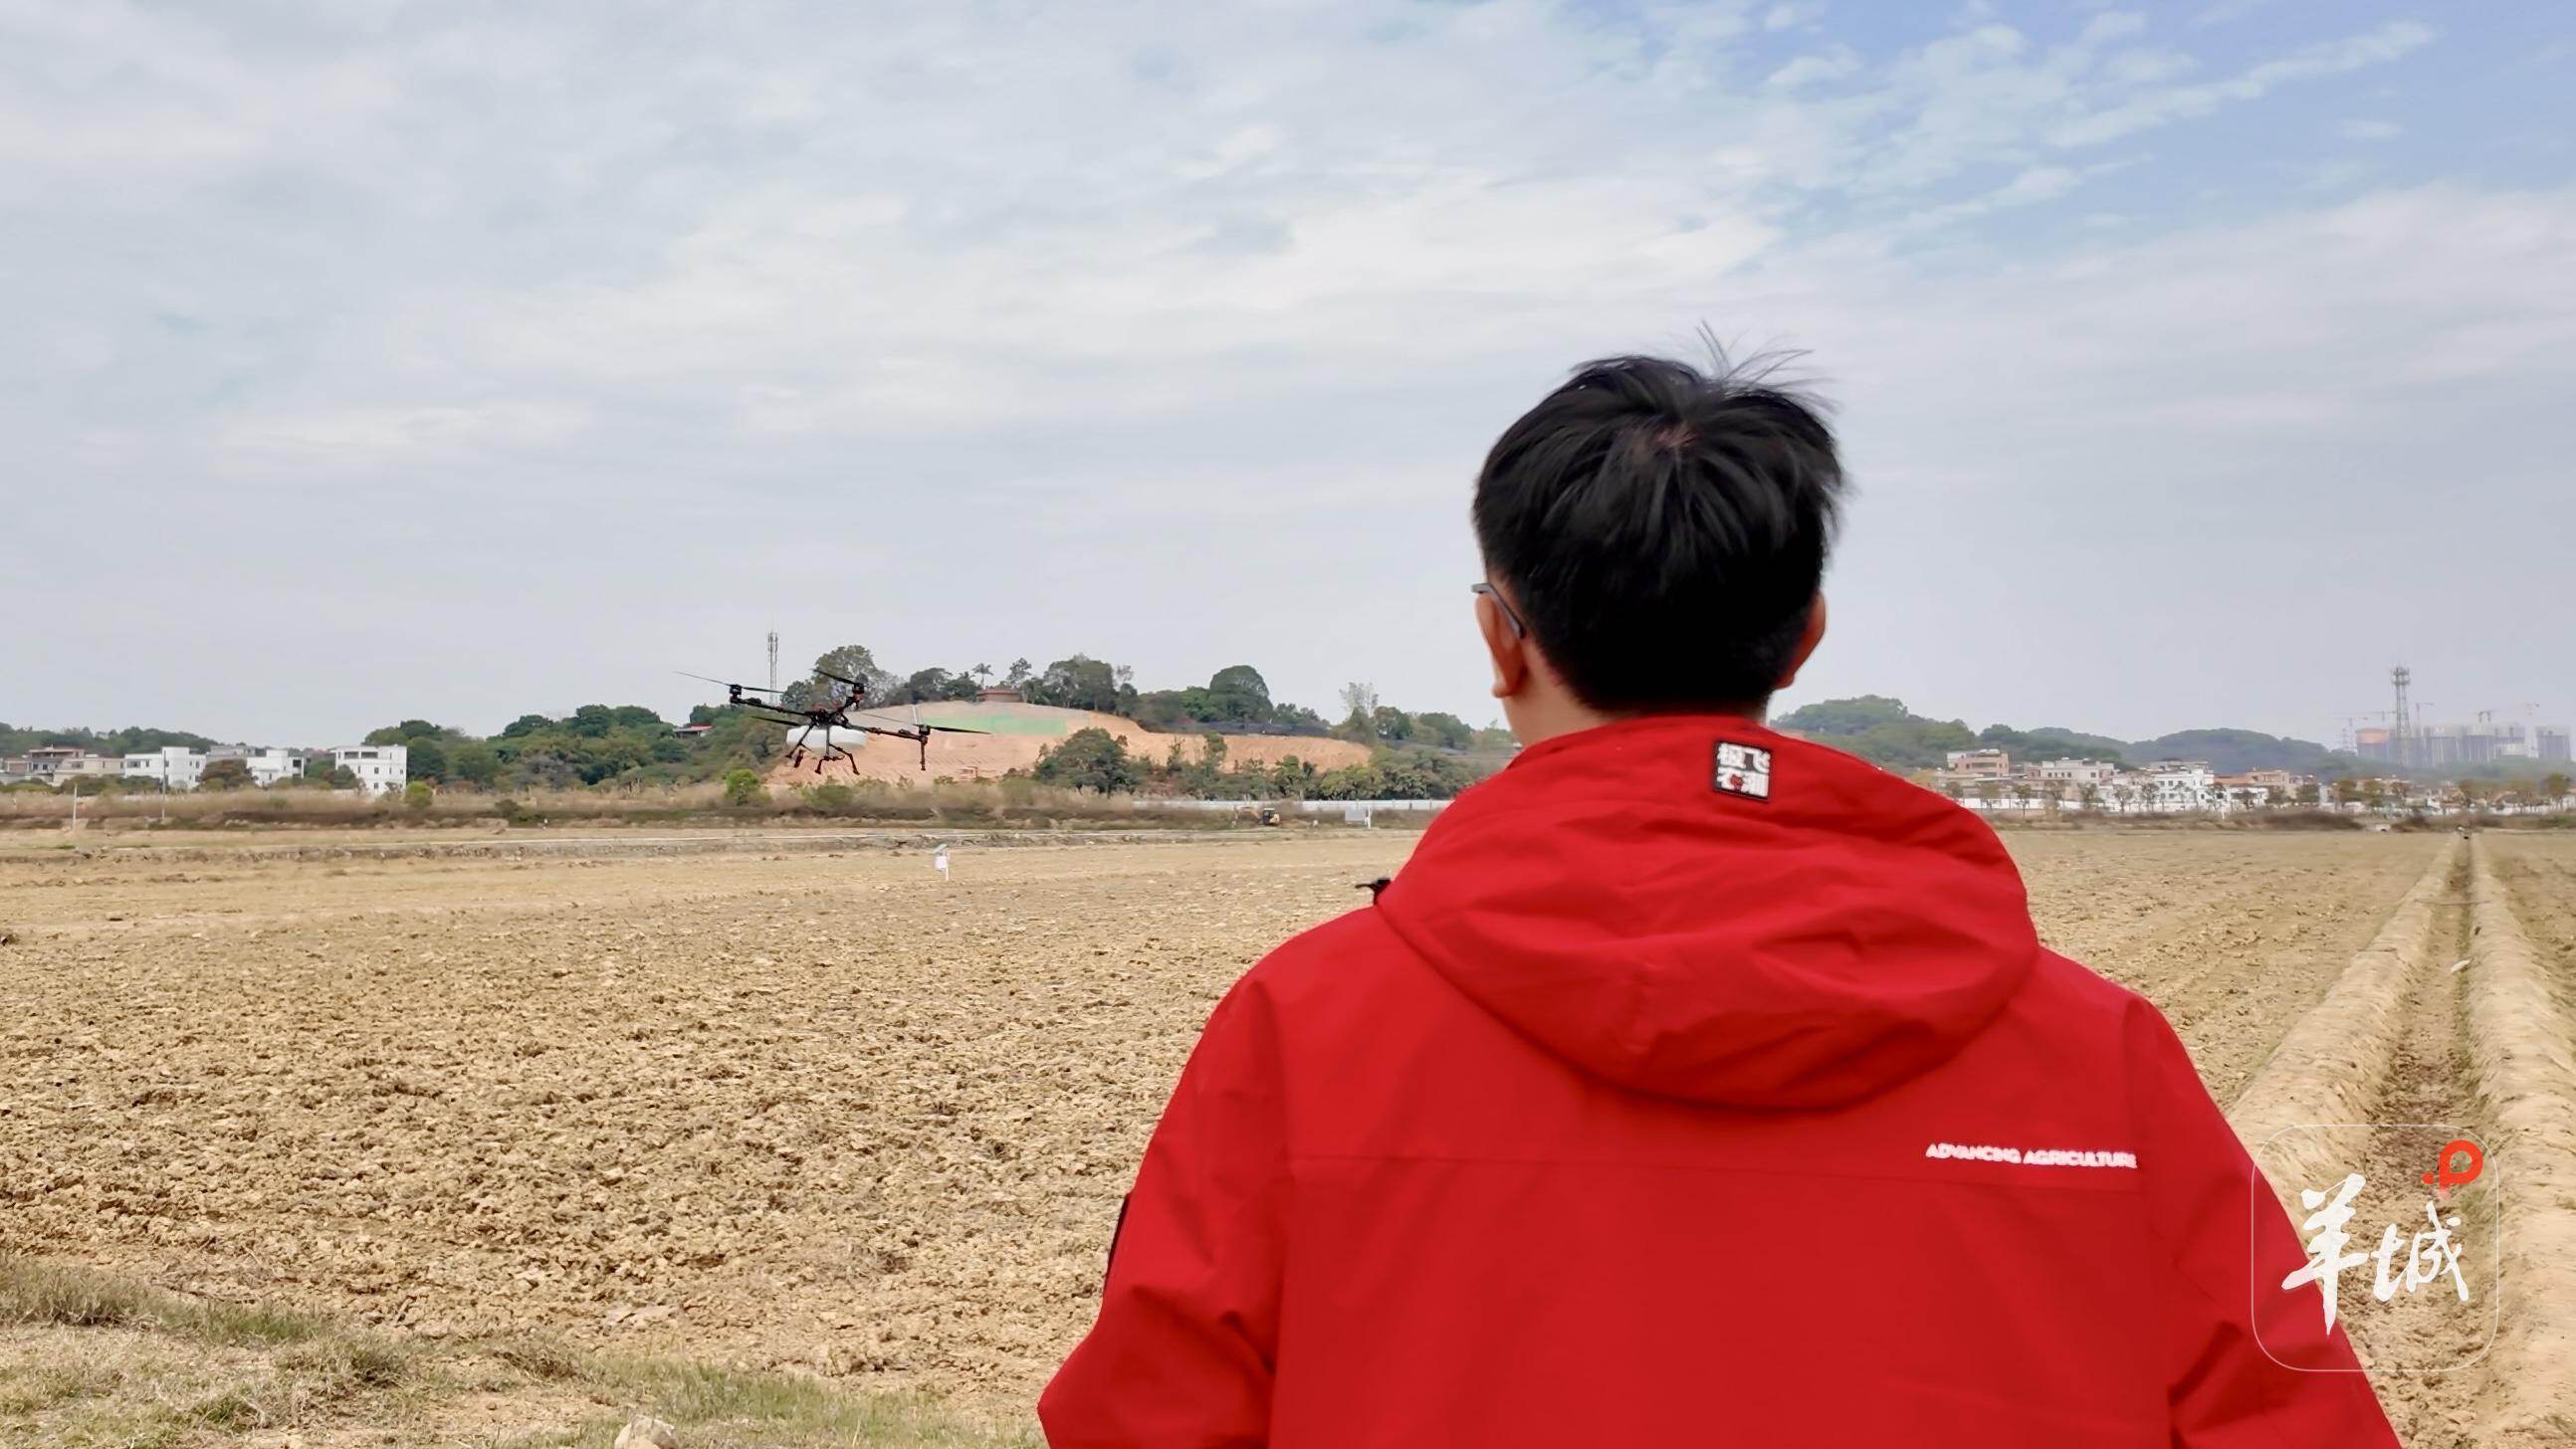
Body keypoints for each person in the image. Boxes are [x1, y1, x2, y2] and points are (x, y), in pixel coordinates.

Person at [1039, 352, 2397, 1446]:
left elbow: (1151, 1418)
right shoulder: (2099, 1062)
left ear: (1499, 638)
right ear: (1805, 636)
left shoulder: (1302, 1031)